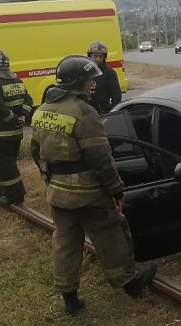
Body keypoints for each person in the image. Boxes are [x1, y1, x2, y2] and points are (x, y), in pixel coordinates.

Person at [30, 55, 156, 316]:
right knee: (112, 232)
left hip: (58, 193)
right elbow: (100, 158)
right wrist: (116, 190)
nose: (93, 85)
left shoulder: (41, 110)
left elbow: (35, 150)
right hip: (88, 194)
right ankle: (129, 282)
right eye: (89, 80)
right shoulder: (83, 113)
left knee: (65, 242)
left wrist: (51, 178)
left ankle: (70, 300)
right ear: (78, 82)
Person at [0, 49, 33, 205]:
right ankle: (3, 192)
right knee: (8, 163)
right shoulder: (17, 82)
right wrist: (23, 116)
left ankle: (15, 196)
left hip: (1, 133)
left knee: (4, 167)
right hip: (16, 134)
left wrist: (14, 120)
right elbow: (29, 101)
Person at [86, 40, 122, 113]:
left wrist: (111, 112)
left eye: (101, 56)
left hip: (102, 111)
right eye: (95, 56)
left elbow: (116, 96)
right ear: (89, 55)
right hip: (86, 111)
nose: (98, 59)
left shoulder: (109, 73)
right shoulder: (84, 71)